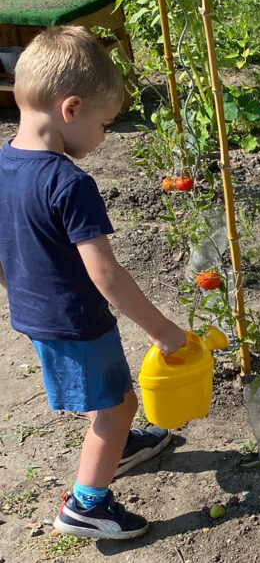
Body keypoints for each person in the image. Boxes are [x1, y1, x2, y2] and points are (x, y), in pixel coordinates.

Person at [0, 27, 187, 540]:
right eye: (104, 124)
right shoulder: (69, 183)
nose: (104, 137)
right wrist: (163, 331)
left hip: (36, 315)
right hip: (76, 321)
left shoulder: (3, 164)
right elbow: (105, 274)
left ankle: (119, 445)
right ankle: (87, 505)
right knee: (118, 404)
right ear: (71, 109)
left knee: (105, 398)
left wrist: (18, 291)